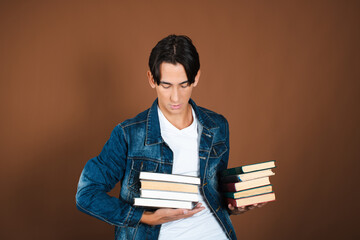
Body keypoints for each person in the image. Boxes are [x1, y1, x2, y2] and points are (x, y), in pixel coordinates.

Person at [76, 34, 264, 240]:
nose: (176, 97)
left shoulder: (217, 126)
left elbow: (211, 193)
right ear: (151, 79)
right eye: (166, 85)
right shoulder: (128, 134)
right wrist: (147, 218)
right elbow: (87, 194)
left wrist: (234, 206)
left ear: (196, 78)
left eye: (183, 85)